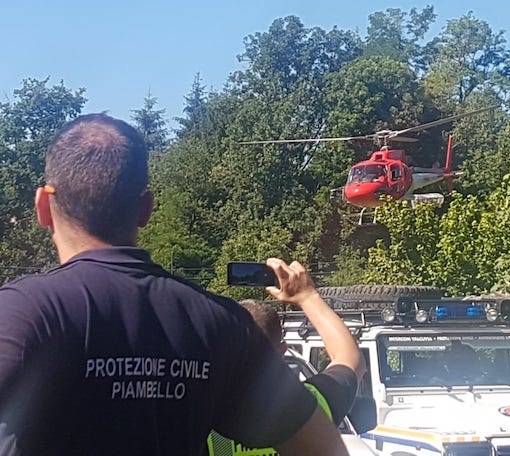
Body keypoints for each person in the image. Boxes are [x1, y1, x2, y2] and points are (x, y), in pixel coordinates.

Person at [0, 114, 347, 456]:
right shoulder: (224, 324)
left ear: (42, 206)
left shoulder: (22, 313)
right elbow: (325, 449)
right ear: (146, 209)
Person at [208, 259, 366, 455]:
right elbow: (350, 357)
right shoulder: (309, 406)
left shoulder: (200, 414)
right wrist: (307, 296)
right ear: (282, 350)